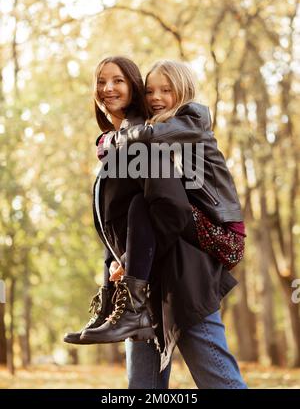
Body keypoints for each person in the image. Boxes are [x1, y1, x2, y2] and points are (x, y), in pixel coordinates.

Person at [64, 57, 247, 389]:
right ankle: (131, 305)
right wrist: (119, 267)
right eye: (152, 90)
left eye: (118, 81)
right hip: (147, 283)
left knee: (220, 381)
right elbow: (120, 221)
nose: (108, 89)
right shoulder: (131, 138)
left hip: (183, 273)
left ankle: (132, 303)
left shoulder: (157, 136)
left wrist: (132, 263)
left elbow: (170, 209)